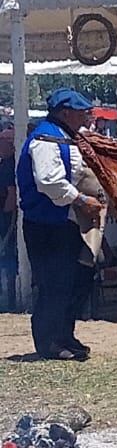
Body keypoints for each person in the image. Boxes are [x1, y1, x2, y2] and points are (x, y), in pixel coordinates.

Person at [15, 89, 102, 361]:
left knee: (75, 280)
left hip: (66, 223)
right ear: (65, 113)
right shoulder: (45, 139)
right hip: (46, 225)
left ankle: (65, 334)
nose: (86, 115)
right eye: (81, 111)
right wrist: (80, 200)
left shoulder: (67, 137)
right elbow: (49, 181)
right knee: (54, 283)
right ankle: (49, 341)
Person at [0, 120, 16, 311]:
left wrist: (7, 221)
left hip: (6, 217)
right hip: (6, 215)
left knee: (8, 256)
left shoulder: (8, 166)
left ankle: (10, 298)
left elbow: (11, 195)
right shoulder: (6, 164)